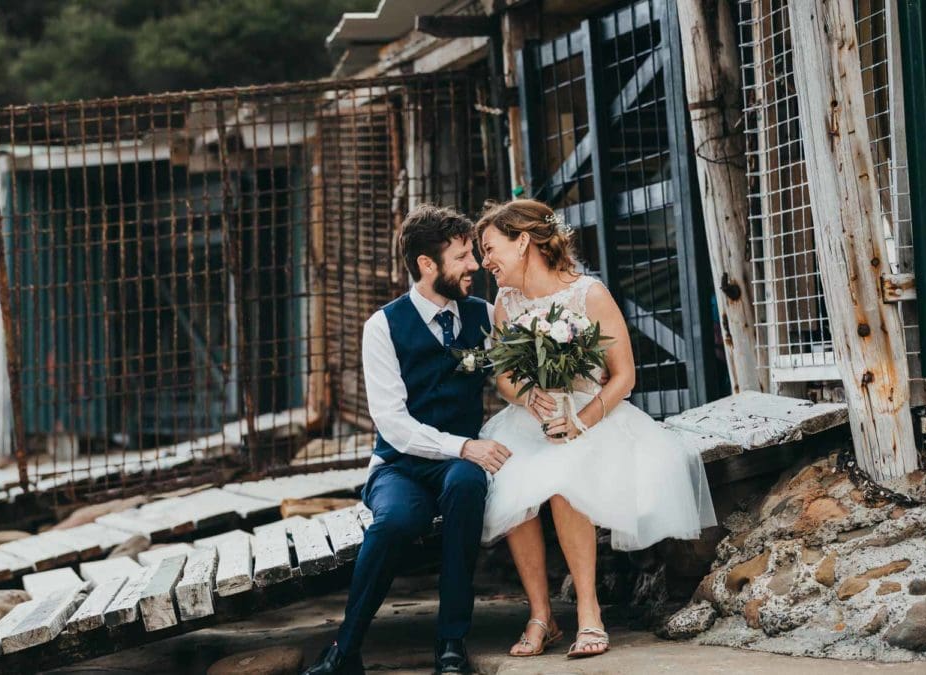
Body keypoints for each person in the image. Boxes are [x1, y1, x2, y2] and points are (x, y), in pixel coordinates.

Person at [475, 198, 717, 660]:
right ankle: (541, 615)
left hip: (595, 415)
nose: (486, 261)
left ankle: (589, 611)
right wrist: (529, 398)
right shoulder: (505, 302)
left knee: (564, 477)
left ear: (523, 241)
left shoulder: (588, 294)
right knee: (509, 476)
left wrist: (579, 422)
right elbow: (504, 377)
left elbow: (624, 376)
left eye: (490, 248)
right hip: (533, 419)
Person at [303, 204, 510, 675]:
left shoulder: (483, 315)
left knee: (466, 484)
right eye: (462, 257)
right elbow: (393, 424)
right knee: (396, 521)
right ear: (426, 265)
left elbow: (512, 380)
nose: (474, 266)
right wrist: (463, 446)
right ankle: (344, 650)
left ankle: (451, 643)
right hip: (398, 464)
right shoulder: (382, 327)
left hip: (457, 465)